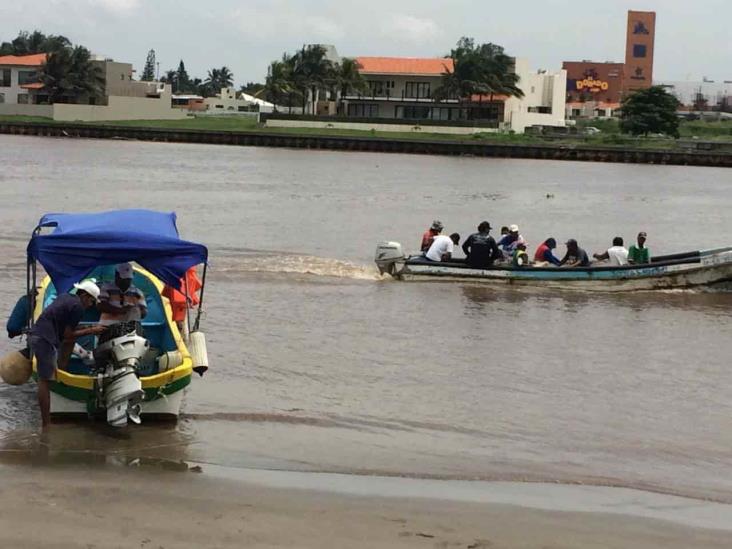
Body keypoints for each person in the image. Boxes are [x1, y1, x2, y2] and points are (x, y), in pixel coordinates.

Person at [29, 280, 105, 428]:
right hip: (45, 340)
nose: (90, 305)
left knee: (47, 377)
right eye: (91, 301)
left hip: (38, 336)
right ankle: (46, 424)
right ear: (84, 295)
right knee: (44, 381)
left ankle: (48, 419)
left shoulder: (65, 298)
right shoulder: (78, 308)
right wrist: (92, 330)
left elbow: (65, 334)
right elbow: (68, 335)